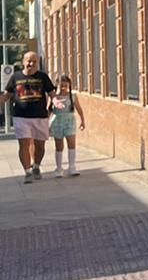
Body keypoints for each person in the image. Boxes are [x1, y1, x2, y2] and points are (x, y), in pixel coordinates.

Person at [4, 51, 56, 183]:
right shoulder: (15, 77)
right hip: (21, 117)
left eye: (34, 61)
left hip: (40, 117)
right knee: (24, 143)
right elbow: (7, 95)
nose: (31, 64)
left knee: (40, 145)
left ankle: (36, 166)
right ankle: (27, 172)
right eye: (28, 61)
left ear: (38, 63)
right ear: (23, 62)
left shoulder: (43, 77)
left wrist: (56, 102)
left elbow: (52, 93)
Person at [48, 73, 86, 179]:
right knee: (59, 145)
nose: (64, 88)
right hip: (57, 122)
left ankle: (72, 167)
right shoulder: (53, 96)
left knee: (71, 144)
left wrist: (82, 121)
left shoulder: (72, 96)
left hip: (69, 121)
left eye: (66, 85)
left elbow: (79, 108)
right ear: (57, 85)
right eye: (62, 85)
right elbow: (48, 110)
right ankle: (59, 168)